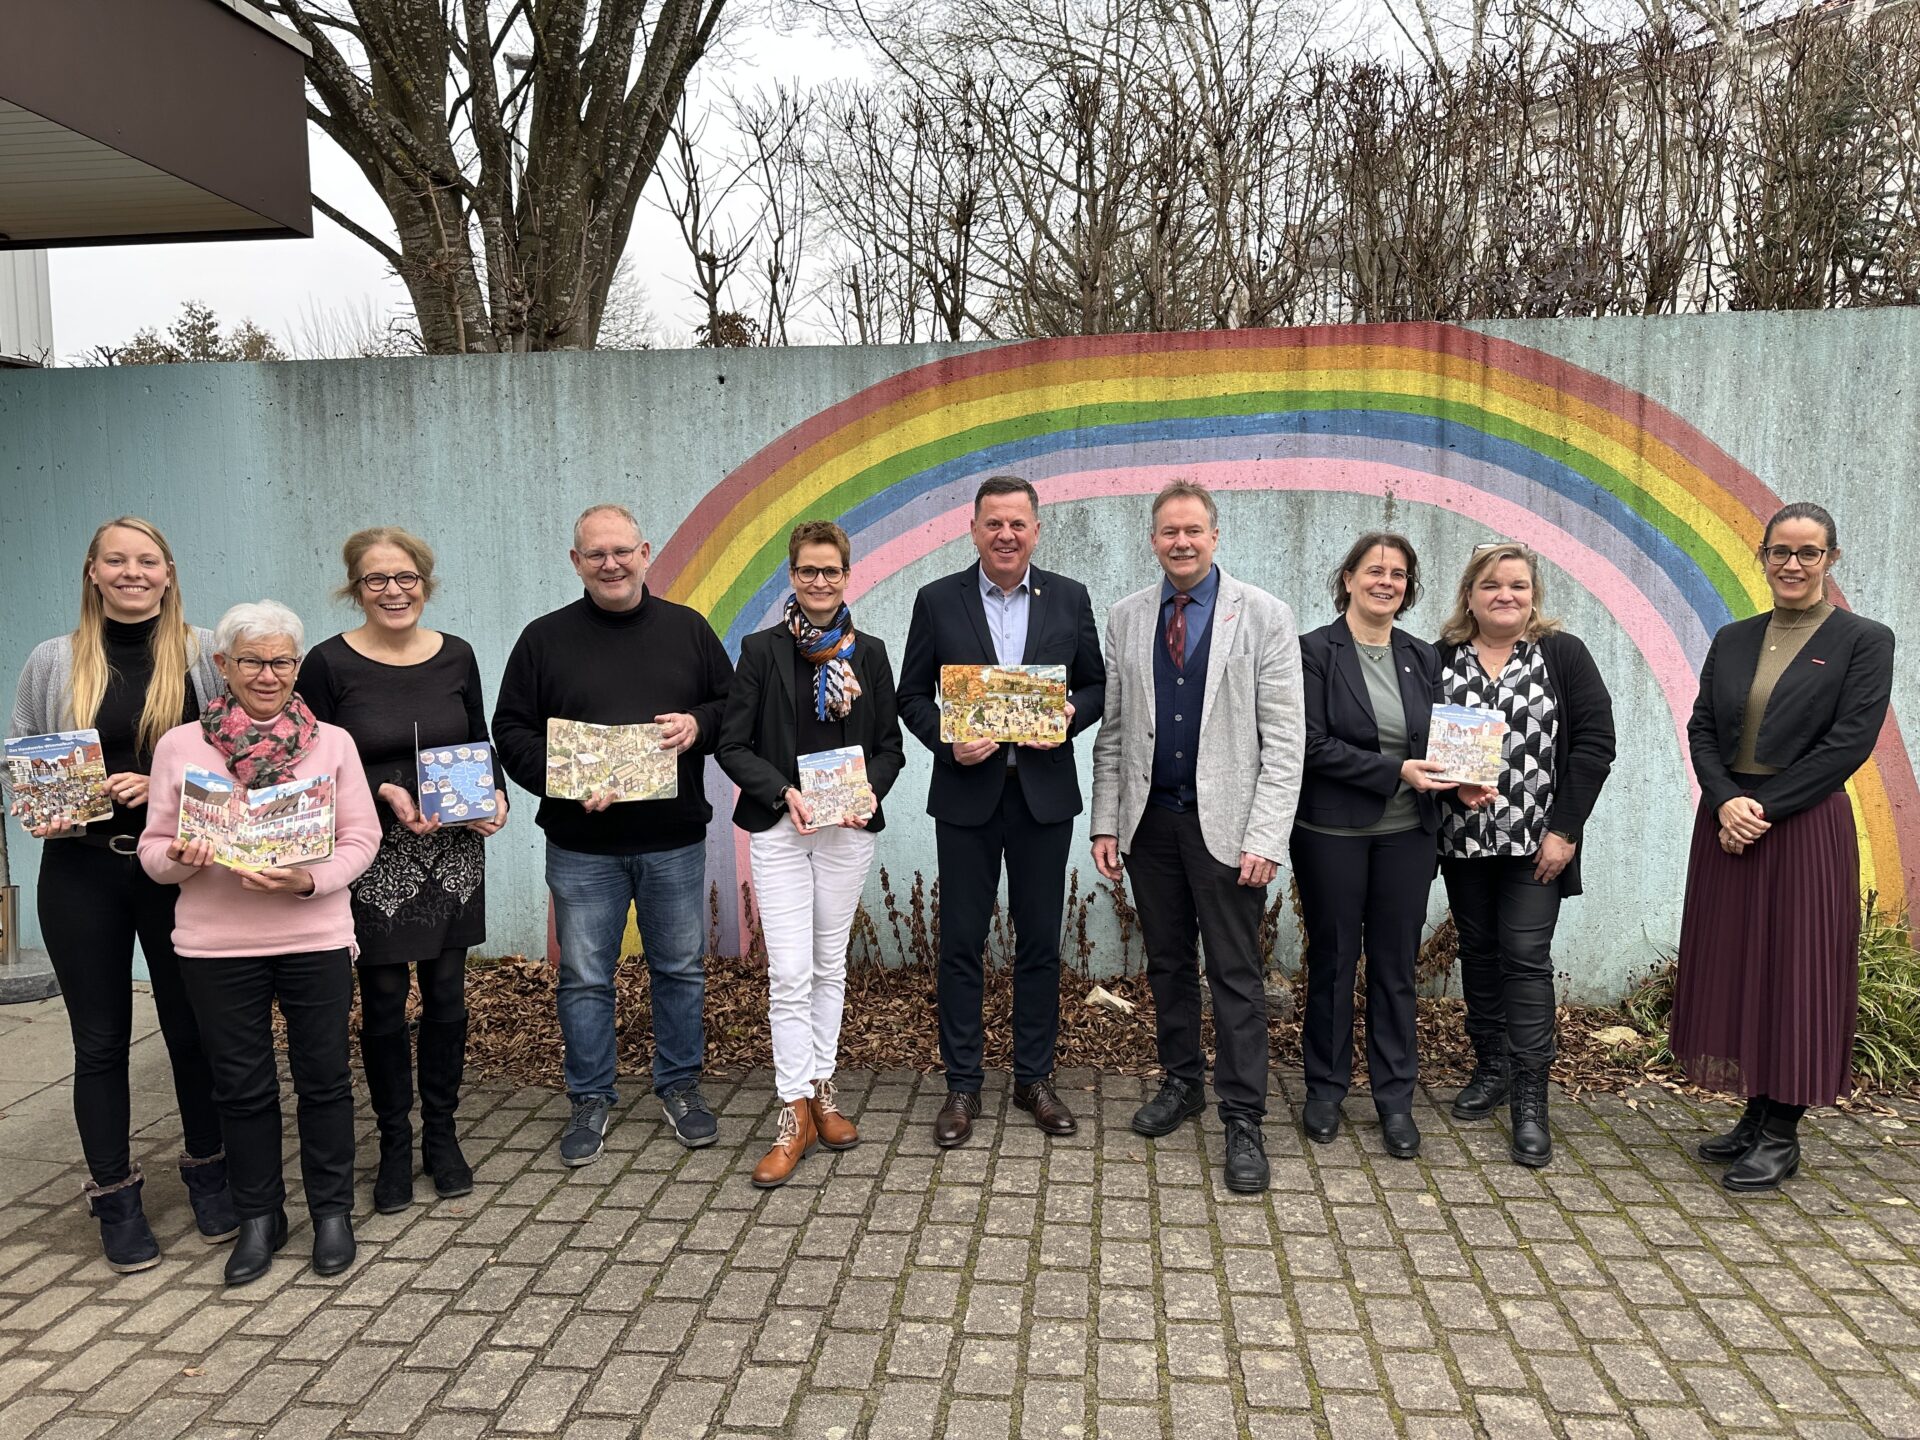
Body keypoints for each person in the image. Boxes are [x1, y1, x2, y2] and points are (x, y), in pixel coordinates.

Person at [5, 517, 236, 1272]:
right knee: (99, 1041)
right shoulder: (53, 659)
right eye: (116, 560)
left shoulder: (206, 655)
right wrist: (41, 802)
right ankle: (114, 1195)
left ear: (168, 573)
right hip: (82, 871)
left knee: (191, 1029)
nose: (132, 572)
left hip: (179, 870)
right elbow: (23, 756)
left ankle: (210, 1170)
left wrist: (162, 784)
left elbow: (241, 759)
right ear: (93, 572)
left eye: (147, 560)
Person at [138, 601, 380, 1286]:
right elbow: (153, 853)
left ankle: (331, 1212)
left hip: (314, 933)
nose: (268, 675)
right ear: (224, 665)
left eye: (281, 661)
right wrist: (181, 859)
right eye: (252, 661)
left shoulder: (332, 743)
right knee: (241, 1089)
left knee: (325, 1081)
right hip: (217, 945)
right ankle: (258, 1217)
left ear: (297, 666)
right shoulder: (181, 746)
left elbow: (362, 837)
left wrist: (310, 879)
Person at [492, 504, 733, 1165]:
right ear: (576, 562)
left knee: (678, 969)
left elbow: (730, 705)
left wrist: (698, 726)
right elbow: (510, 729)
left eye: (621, 551)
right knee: (584, 977)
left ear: (645, 553)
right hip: (581, 845)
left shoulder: (688, 630)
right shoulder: (543, 639)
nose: (611, 564)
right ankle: (590, 1096)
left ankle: (679, 1086)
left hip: (672, 840)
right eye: (595, 554)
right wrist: (563, 780)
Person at [1671, 503, 1894, 1192]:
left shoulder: (1864, 639)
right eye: (1780, 552)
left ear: (1831, 559)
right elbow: (1702, 727)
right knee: (1740, 966)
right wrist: (1724, 800)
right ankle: (1754, 1111)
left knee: (1797, 971)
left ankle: (1781, 1133)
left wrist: (1761, 808)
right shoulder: (1734, 638)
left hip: (1803, 824)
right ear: (1763, 556)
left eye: (1808, 552)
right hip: (1728, 821)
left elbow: (1849, 743)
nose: (1792, 565)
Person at [1090, 481, 1304, 1193]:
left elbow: (1285, 741)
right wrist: (1106, 821)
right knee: (1168, 965)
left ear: (1215, 536)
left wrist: (1265, 837)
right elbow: (1114, 730)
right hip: (1151, 824)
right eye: (1168, 531)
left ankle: (1243, 1117)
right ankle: (1182, 1082)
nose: (1180, 542)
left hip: (1230, 830)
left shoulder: (1265, 615)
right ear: (1153, 539)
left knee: (1236, 976)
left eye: (1192, 530)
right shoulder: (1126, 617)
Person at [298, 527, 507, 1215]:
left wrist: (496, 795)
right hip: (371, 853)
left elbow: (478, 740)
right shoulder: (327, 665)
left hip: (451, 851)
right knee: (384, 1000)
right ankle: (394, 1141)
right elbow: (310, 764)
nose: (393, 591)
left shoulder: (457, 654)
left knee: (447, 995)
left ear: (425, 582)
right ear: (355, 589)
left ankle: (442, 1135)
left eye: (405, 577)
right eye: (376, 579)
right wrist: (384, 790)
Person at [897, 475, 1105, 1148]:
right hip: (968, 797)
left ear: (1036, 531)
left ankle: (1033, 1079)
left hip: (1044, 798)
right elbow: (911, 696)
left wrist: (1070, 715)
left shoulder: (1069, 597)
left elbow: (1097, 685)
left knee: (1040, 943)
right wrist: (946, 741)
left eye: (1018, 523)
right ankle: (962, 1084)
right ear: (974, 530)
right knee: (961, 943)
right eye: (994, 523)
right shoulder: (937, 600)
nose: (1006, 535)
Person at [717, 521, 905, 1187]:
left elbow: (890, 747)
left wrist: (869, 790)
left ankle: (823, 1089)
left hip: (846, 831)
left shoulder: (871, 654)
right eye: (807, 571)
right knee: (790, 973)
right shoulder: (761, 651)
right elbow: (732, 744)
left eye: (830, 571)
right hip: (780, 828)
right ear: (792, 576)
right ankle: (792, 1110)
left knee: (829, 967)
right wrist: (784, 791)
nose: (819, 581)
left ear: (846, 576)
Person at [1435, 543, 1615, 1168]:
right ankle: (1492, 1068)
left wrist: (1566, 829)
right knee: (1479, 950)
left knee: (1526, 955)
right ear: (1469, 596)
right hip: (1463, 839)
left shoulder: (1562, 655)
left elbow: (1595, 744)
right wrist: (1447, 786)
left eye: (1516, 584)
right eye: (1490, 585)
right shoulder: (1439, 658)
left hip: (1538, 843)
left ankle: (1531, 1097)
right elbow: (1420, 740)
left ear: (1533, 594)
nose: (1504, 595)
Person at [1291, 533, 1454, 1160]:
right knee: (1332, 962)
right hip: (1332, 834)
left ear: (1408, 588)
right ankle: (1325, 1090)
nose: (1386, 582)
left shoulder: (1422, 656)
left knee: (1395, 969)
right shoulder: (1314, 651)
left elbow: (1437, 739)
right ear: (1349, 578)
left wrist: (1460, 779)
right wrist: (1395, 771)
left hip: (1407, 836)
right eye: (1375, 570)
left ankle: (1394, 1098)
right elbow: (1310, 744)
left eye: (1398, 574)